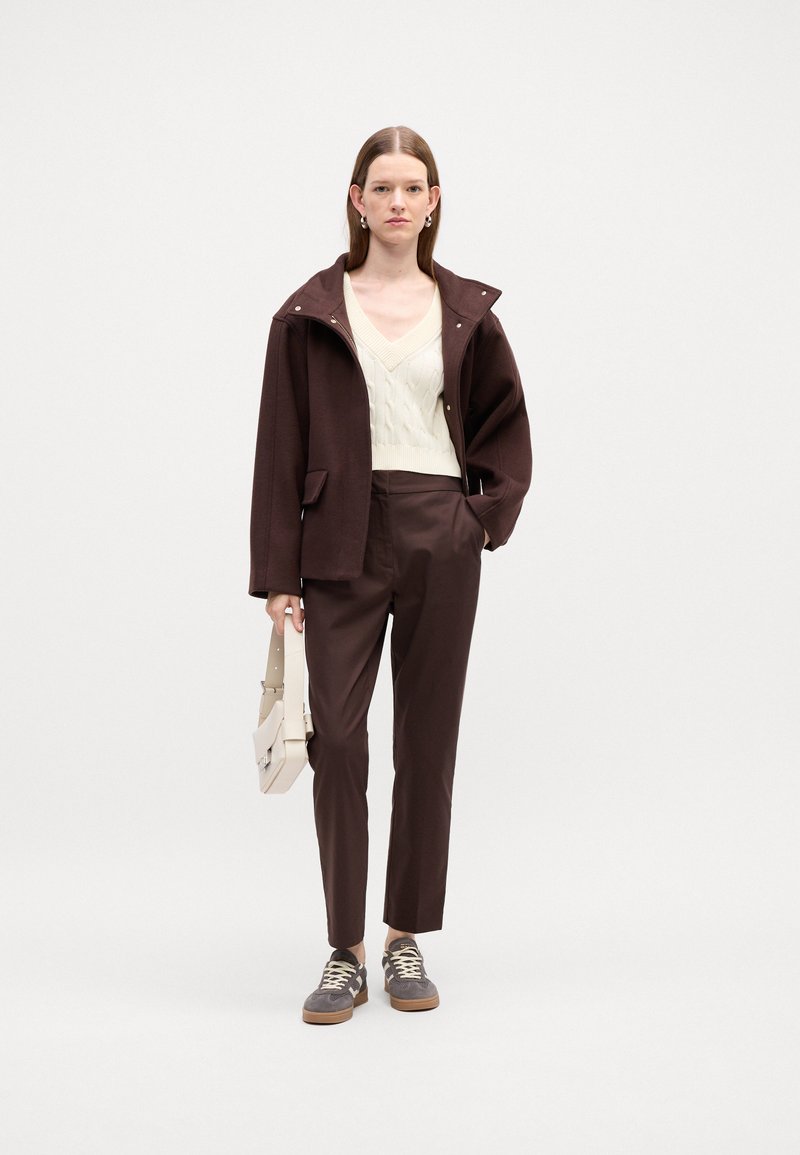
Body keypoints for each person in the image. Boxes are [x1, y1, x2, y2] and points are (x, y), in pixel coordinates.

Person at [249, 125, 533, 1025]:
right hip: (337, 535)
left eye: (414, 187)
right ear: (358, 200)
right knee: (337, 738)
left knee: (427, 740)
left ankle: (405, 934)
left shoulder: (466, 311)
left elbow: (506, 427)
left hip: (438, 528)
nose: (399, 201)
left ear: (434, 201)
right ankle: (346, 949)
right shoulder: (308, 312)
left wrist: (476, 521)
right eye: (383, 187)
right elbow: (279, 445)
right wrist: (279, 571)